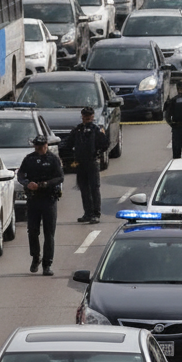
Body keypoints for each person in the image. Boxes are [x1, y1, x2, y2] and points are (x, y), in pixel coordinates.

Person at [17, 134, 64, 276]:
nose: (39, 149)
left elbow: (60, 177)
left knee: (49, 233)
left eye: (42, 146)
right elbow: (20, 175)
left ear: (46, 145)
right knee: (32, 231)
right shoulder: (29, 159)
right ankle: (35, 257)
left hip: (49, 199)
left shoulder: (53, 159)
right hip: (33, 199)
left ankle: (47, 264)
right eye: (37, 146)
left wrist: (46, 184)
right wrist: (27, 183)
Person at [65, 106, 108, 225]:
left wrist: (97, 152)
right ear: (82, 117)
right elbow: (68, 143)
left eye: (89, 117)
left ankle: (96, 214)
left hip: (92, 162)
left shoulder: (96, 130)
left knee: (94, 188)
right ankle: (87, 213)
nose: (87, 119)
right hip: (80, 163)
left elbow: (104, 144)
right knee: (84, 189)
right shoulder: (78, 130)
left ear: (93, 117)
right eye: (85, 117)